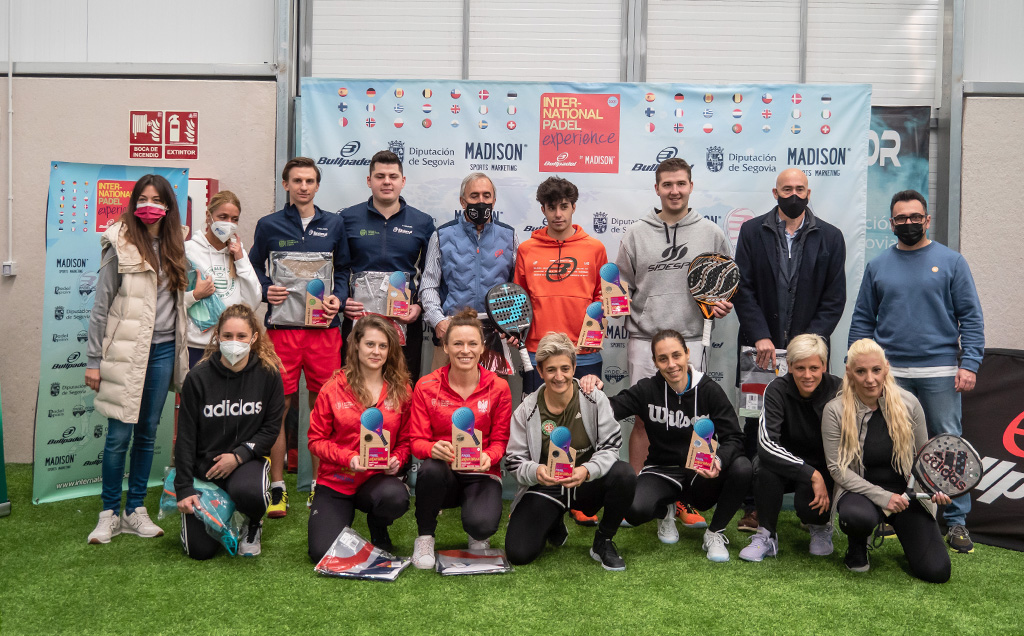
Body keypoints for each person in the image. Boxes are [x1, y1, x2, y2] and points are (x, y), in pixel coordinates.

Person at [849, 189, 984, 554]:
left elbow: (970, 316)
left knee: (946, 446)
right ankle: (896, 515)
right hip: (889, 375)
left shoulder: (952, 261)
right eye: (901, 218)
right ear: (891, 223)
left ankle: (955, 523)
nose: (908, 223)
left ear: (926, 220)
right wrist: (857, 366)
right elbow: (863, 318)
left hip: (940, 371)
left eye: (915, 217)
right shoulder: (878, 266)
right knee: (894, 446)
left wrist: (969, 363)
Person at [614, 158, 733, 532]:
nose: (674, 190)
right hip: (643, 337)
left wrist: (722, 303)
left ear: (691, 186)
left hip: (692, 339)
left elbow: (724, 282)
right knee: (642, 420)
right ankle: (632, 494)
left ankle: (681, 498)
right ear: (657, 189)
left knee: (690, 423)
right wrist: (613, 305)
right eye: (667, 184)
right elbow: (620, 287)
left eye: (681, 183)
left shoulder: (711, 232)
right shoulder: (635, 233)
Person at [731, 168, 847, 531]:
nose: (793, 194)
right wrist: (759, 333)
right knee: (755, 424)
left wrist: (807, 346)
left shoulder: (830, 236)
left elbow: (834, 298)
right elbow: (743, 288)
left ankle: (811, 500)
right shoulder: (752, 232)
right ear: (775, 192)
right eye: (786, 189)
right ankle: (753, 506)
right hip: (760, 352)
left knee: (809, 423)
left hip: (807, 356)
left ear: (809, 192)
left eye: (799, 189)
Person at [582, 329, 751, 562]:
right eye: (663, 359)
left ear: (687, 354)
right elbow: (611, 409)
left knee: (742, 467)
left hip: (699, 475)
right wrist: (594, 391)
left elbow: (735, 437)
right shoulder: (647, 389)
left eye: (676, 356)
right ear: (655, 362)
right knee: (633, 509)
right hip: (662, 470)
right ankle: (665, 509)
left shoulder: (709, 389)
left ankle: (714, 533)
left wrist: (718, 460)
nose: (671, 364)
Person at [85, 174, 190, 544]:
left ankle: (135, 510)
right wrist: (93, 360)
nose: (149, 205)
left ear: (168, 206)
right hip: (126, 352)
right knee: (118, 435)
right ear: (133, 202)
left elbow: (172, 304)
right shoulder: (119, 241)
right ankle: (109, 513)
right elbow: (101, 308)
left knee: (147, 433)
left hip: (162, 351)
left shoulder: (178, 243)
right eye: (142, 198)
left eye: (156, 199)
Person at [249, 157, 348, 517]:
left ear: (318, 186)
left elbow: (346, 268)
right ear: (286, 185)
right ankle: (278, 487)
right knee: (279, 409)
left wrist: (339, 295)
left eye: (310, 181)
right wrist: (264, 291)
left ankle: (322, 486)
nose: (304, 186)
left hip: (324, 333)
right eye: (297, 181)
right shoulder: (269, 224)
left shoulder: (334, 223)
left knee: (326, 410)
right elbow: (252, 269)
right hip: (282, 333)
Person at [821, 339, 952, 583]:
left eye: (876, 370)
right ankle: (857, 546)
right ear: (849, 372)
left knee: (937, 572)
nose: (870, 379)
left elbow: (924, 458)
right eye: (861, 371)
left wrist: (935, 488)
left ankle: (910, 537)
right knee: (857, 517)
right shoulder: (834, 410)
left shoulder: (909, 403)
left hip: (906, 494)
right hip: (859, 492)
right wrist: (883, 497)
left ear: (886, 369)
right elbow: (837, 469)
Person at [504, 333, 636, 570]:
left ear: (574, 367)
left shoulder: (594, 399)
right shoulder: (526, 410)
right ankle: (553, 520)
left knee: (624, 474)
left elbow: (611, 445)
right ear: (540, 371)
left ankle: (603, 540)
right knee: (519, 554)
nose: (559, 376)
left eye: (565, 368)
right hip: (546, 486)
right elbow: (514, 461)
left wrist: (587, 470)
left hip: (586, 483)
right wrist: (536, 471)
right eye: (551, 369)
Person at [174, 304, 285, 559]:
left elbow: (270, 430)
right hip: (206, 470)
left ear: (254, 337)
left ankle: (253, 522)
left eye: (241, 336)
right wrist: (184, 488)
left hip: (245, 464)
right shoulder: (197, 378)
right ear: (218, 337)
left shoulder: (269, 375)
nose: (234, 342)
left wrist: (238, 456)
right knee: (200, 552)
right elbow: (186, 437)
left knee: (250, 492)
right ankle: (218, 510)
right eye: (227, 336)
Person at [407, 309, 511, 569]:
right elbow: (416, 441)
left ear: (482, 346)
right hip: (445, 474)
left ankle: (476, 532)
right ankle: (425, 537)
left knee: (482, 525)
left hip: (482, 473)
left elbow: (500, 441)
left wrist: (490, 456)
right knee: (429, 469)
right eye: (458, 343)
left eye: (472, 343)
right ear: (445, 346)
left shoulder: (499, 387)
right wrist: (433, 448)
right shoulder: (426, 386)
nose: (465, 350)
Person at [307, 315, 413, 561]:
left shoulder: (402, 388)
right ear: (356, 345)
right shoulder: (333, 388)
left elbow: (406, 438)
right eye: (370, 344)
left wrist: (397, 459)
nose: (376, 352)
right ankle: (337, 520)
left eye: (383, 346)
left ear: (390, 350)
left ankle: (378, 524)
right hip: (336, 481)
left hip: (375, 481)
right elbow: (316, 440)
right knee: (321, 553)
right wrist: (350, 458)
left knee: (396, 498)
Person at [738, 333, 842, 562]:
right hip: (786, 465)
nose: (807, 375)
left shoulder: (839, 390)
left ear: (824, 366)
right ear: (790, 366)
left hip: (823, 466)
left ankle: (819, 525)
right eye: (800, 367)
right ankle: (766, 534)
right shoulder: (776, 389)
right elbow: (766, 445)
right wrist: (810, 474)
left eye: (814, 368)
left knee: (811, 506)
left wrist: (820, 474)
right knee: (763, 466)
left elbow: (847, 445)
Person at [340, 150, 435, 380]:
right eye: (380, 176)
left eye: (393, 176)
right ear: (369, 181)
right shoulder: (347, 219)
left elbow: (432, 274)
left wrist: (420, 306)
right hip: (358, 320)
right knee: (355, 384)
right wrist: (342, 299)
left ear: (402, 182)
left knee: (402, 385)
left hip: (405, 321)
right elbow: (339, 268)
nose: (386, 182)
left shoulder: (422, 222)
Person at [515, 176, 607, 394]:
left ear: (573, 207)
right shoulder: (527, 250)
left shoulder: (595, 248)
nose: (558, 214)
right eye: (552, 207)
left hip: (584, 352)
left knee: (586, 420)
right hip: (539, 351)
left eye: (564, 207)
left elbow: (601, 297)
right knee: (539, 421)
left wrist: (612, 306)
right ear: (542, 209)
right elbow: (520, 301)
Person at [420, 172, 518, 372]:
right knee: (444, 399)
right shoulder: (441, 235)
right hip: (451, 332)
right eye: (474, 196)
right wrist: (438, 321)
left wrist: (513, 325)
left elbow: (518, 286)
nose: (481, 201)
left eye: (486, 196)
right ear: (462, 201)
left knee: (492, 399)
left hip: (494, 335)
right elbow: (429, 285)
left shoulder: (509, 236)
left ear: (494, 200)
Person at [184, 191, 262, 367]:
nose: (228, 224)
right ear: (208, 216)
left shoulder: (237, 253)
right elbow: (172, 299)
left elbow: (253, 301)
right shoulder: (188, 251)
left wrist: (241, 260)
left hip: (230, 347)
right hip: (195, 346)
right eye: (223, 217)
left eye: (234, 219)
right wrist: (195, 295)